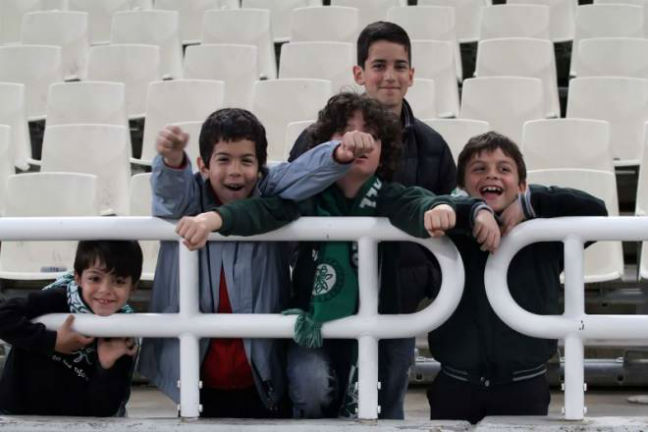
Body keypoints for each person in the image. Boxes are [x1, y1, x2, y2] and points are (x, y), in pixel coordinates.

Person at [182, 93, 500, 419]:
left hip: (381, 327)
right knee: (310, 385)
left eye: (371, 135)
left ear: (384, 150)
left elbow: (425, 202)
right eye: (347, 132)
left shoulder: (389, 195)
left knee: (387, 399)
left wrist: (469, 211)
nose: (359, 141)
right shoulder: (306, 198)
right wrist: (213, 219)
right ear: (325, 147)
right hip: (313, 327)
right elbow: (261, 211)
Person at [137, 108, 375, 418]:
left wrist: (338, 154)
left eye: (246, 161)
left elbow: (303, 172)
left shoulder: (271, 190)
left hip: (262, 373)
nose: (235, 171)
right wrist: (171, 162)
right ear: (203, 166)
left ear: (261, 168)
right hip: (197, 372)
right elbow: (169, 196)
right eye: (224, 159)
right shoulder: (188, 199)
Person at [288, 21, 458, 419]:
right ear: (359, 73)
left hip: (395, 303)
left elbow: (441, 206)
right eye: (379, 65)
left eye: (399, 66)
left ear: (412, 75)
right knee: (312, 394)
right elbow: (289, 193)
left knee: (387, 403)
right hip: (321, 298)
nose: (390, 76)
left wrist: (422, 281)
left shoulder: (432, 146)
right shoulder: (317, 137)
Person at [427, 132, 609, 424]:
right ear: (462, 186)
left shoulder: (546, 234)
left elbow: (597, 210)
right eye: (479, 169)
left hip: (525, 384)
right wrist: (473, 211)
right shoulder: (450, 230)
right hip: (455, 382)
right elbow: (427, 205)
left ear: (521, 185)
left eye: (504, 169)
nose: (492, 175)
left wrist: (532, 201)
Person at [0, 240, 142, 416]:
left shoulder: (123, 333)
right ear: (78, 277)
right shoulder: (56, 299)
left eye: (119, 281)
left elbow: (104, 410)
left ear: (133, 287)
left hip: (76, 423)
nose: (105, 289)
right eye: (95, 278)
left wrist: (106, 367)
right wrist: (52, 341)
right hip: (16, 415)